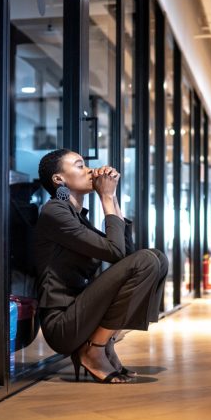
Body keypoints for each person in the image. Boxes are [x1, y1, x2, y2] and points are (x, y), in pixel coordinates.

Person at [35, 149, 168, 384]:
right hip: (62, 323)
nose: (89, 170)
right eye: (79, 165)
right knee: (147, 259)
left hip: (83, 313)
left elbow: (124, 255)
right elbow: (117, 252)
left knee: (157, 258)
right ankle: (93, 349)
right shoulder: (54, 211)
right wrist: (106, 197)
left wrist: (113, 198)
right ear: (59, 179)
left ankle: (104, 344)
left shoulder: (75, 216)